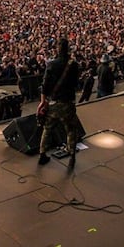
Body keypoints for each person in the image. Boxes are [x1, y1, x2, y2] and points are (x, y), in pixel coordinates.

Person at [38, 37, 82, 168]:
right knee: (70, 129)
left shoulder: (51, 64)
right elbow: (76, 83)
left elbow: (44, 86)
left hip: (53, 103)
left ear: (57, 49)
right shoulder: (73, 65)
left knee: (47, 129)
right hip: (68, 103)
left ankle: (42, 154)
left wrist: (42, 103)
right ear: (68, 49)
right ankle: (72, 153)